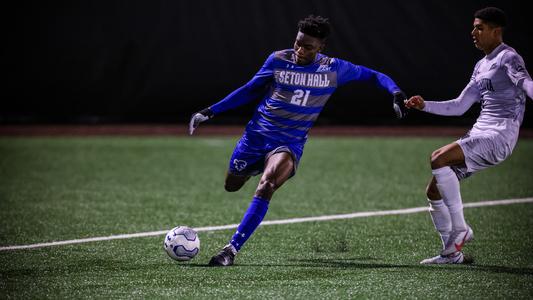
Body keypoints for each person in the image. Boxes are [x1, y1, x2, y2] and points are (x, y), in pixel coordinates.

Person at [189, 15, 409, 266]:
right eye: (297, 43)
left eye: (308, 47)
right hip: (256, 136)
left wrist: (395, 92)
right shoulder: (278, 60)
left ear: (321, 47)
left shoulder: (333, 69)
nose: (300, 50)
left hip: (288, 143)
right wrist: (210, 111)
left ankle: (231, 250)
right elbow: (249, 89)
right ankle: (257, 166)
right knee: (231, 185)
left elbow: (374, 75)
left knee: (267, 185)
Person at [405, 7, 533, 264]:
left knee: (438, 157)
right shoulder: (481, 65)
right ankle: (451, 253)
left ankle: (461, 229)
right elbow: (460, 106)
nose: (473, 32)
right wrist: (424, 105)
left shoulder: (508, 57)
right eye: (474, 27)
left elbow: (526, 84)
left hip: (499, 136)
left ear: (496, 31)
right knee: (434, 191)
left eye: (480, 27)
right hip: (479, 133)